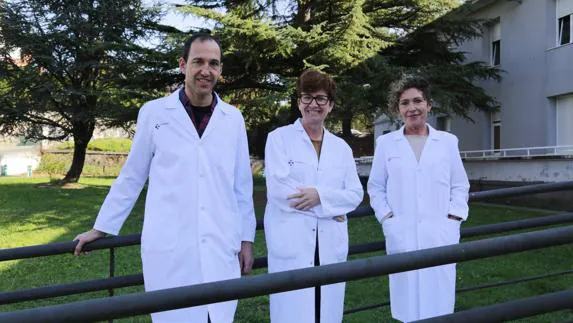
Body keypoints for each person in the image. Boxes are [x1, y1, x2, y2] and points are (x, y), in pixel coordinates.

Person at [72, 33, 256, 323]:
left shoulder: (232, 118)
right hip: (171, 249)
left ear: (220, 70)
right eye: (198, 62)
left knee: (217, 316)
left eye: (213, 63)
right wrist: (101, 227)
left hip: (221, 245)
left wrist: (246, 239)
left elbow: (242, 185)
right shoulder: (154, 113)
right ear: (183, 65)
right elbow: (132, 176)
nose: (205, 70)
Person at [264, 70, 364, 323]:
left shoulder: (342, 148)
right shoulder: (278, 139)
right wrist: (332, 208)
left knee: (326, 312)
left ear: (330, 105)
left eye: (321, 98)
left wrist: (319, 196)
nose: (313, 105)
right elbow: (279, 192)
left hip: (329, 244)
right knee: (293, 313)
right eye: (307, 97)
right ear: (298, 102)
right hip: (293, 244)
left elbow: (354, 194)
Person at [367, 75, 470, 322]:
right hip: (401, 232)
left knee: (439, 298)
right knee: (406, 300)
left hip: (439, 232)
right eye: (404, 103)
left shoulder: (447, 142)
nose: (411, 108)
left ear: (428, 105)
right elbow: (375, 187)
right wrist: (387, 218)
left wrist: (453, 218)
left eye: (417, 101)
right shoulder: (386, 143)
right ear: (398, 109)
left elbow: (460, 185)